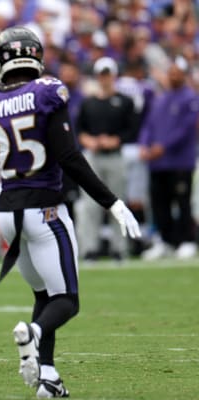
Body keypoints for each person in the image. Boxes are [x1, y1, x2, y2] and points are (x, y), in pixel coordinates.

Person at [0, 27, 142, 399]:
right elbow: (69, 157)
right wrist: (113, 202)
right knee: (67, 300)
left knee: (44, 296)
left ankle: (48, 376)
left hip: (9, 214)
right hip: (45, 210)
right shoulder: (47, 92)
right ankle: (36, 335)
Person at [74, 56, 136, 261]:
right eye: (102, 74)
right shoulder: (89, 103)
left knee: (117, 202)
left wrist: (115, 140)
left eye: (108, 74)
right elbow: (80, 130)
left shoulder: (124, 102)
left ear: (114, 76)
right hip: (93, 156)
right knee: (90, 205)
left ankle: (119, 248)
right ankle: (90, 248)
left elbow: (131, 130)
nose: (105, 78)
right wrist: (90, 141)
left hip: (115, 156)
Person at [139, 56, 199, 260]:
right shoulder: (160, 98)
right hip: (158, 163)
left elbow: (185, 129)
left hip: (180, 161)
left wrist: (162, 147)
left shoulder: (190, 98)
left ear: (183, 75)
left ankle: (186, 240)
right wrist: (144, 145)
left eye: (177, 72)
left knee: (182, 201)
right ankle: (165, 240)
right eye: (171, 71)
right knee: (159, 203)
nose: (173, 75)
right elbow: (148, 124)